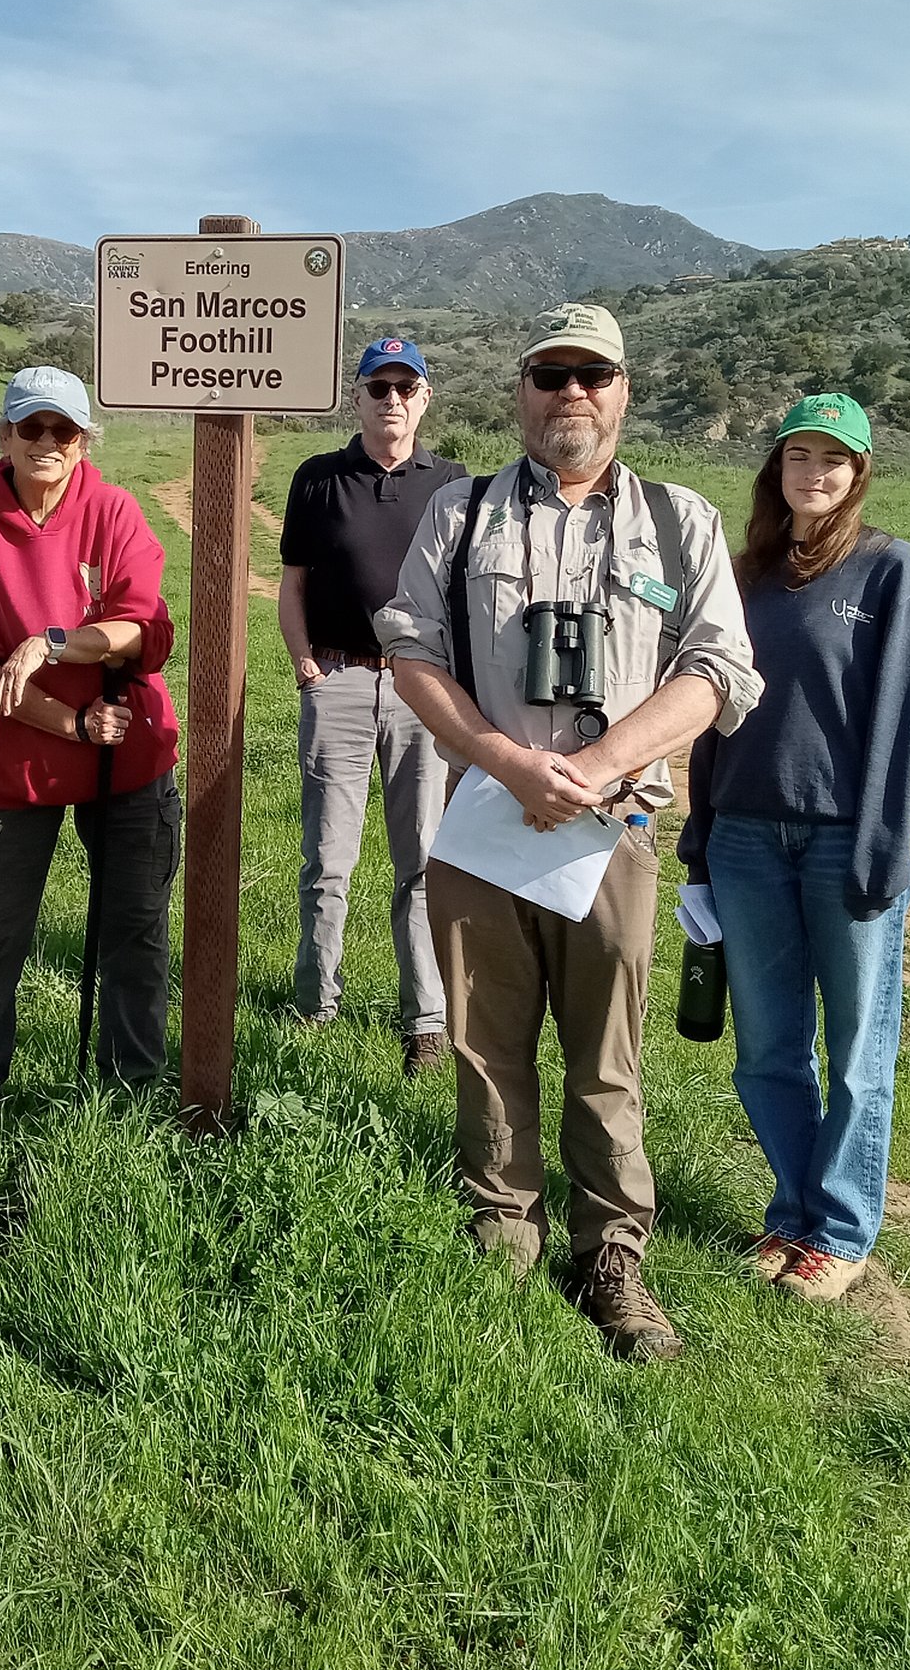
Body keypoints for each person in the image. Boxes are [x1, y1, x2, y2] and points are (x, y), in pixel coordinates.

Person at [378, 304, 762, 1359]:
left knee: (606, 1056)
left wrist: (593, 768)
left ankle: (612, 1260)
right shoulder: (461, 516)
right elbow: (413, 656)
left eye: (591, 375)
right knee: (485, 1043)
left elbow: (718, 670)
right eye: (549, 375)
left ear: (623, 389)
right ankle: (503, 1229)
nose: (570, 395)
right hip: (489, 822)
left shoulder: (679, 521)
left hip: (611, 832)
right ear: (520, 392)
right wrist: (506, 762)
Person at [677, 394, 910, 1304]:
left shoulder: (888, 572)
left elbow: (907, 720)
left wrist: (881, 844)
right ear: (776, 466)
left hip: (842, 844)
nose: (814, 472)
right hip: (747, 837)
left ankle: (841, 1230)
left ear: (858, 472)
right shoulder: (743, 574)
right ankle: (791, 1211)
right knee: (767, 1045)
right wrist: (702, 833)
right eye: (800, 454)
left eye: (834, 458)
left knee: (859, 1047)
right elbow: (708, 705)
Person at [0, 366, 181, 1115]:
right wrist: (68, 720)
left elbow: (140, 624)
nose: (47, 442)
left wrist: (51, 641)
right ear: (3, 435)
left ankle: (131, 1089)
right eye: (31, 427)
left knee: (133, 933)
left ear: (82, 441)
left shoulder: (112, 508)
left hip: (127, 753)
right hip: (16, 762)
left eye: (63, 430)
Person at [279, 336, 467, 1075]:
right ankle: (314, 1004)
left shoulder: (453, 484)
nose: (391, 400)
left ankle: (424, 1019)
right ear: (355, 397)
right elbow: (292, 582)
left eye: (404, 388)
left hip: (422, 685)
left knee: (421, 859)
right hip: (340, 678)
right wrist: (303, 662)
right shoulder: (319, 479)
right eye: (377, 387)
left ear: (425, 398)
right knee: (327, 858)